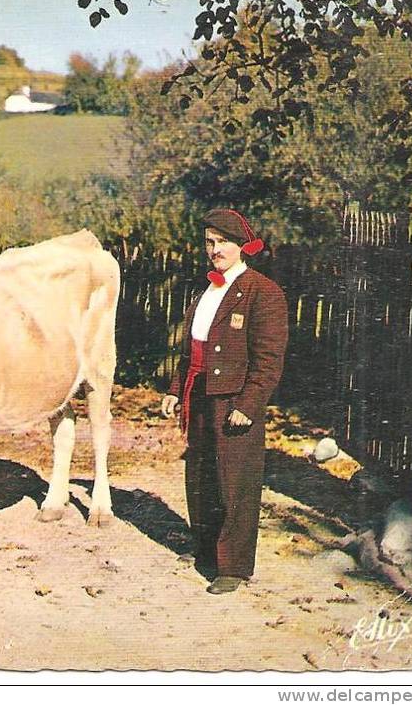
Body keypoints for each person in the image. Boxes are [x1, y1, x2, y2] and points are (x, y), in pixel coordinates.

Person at [161, 209, 288, 595]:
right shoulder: (206, 291)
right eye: (209, 242)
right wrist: (173, 389)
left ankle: (233, 567)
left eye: (223, 242)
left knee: (235, 481)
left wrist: (248, 405)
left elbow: (268, 360)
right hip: (198, 394)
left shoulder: (262, 292)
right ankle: (205, 551)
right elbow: (191, 351)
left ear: (242, 246)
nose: (215, 250)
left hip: (233, 399)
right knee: (200, 476)